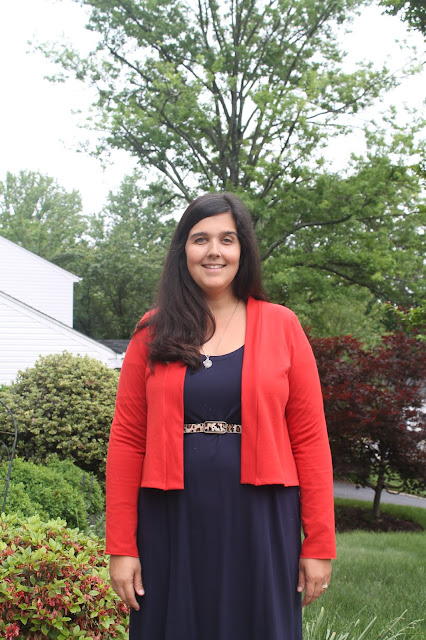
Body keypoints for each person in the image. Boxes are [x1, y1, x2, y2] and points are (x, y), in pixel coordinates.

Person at [106, 192, 336, 640]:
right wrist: (121, 545)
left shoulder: (283, 325)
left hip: (262, 519)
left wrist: (319, 543)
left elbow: (309, 439)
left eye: (227, 239)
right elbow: (128, 440)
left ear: (242, 251)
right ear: (182, 252)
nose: (214, 251)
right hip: (170, 518)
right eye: (200, 239)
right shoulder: (152, 331)